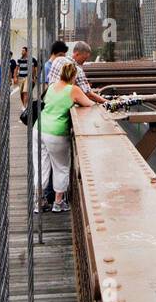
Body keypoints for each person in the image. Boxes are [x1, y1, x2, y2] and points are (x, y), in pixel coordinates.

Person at [33, 60, 93, 213]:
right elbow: (89, 104)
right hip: (56, 133)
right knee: (60, 167)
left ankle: (39, 201)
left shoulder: (52, 86)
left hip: (39, 129)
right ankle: (58, 203)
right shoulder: (73, 89)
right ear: (74, 76)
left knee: (41, 166)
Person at [46, 40, 106, 105]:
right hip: (62, 106)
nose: (84, 62)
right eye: (84, 59)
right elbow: (88, 94)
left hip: (49, 103)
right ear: (77, 54)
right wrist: (107, 102)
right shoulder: (77, 70)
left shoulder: (57, 60)